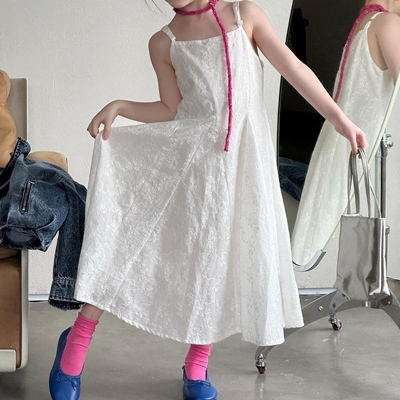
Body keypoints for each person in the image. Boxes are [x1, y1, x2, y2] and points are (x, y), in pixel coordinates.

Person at [48, 1, 367, 399]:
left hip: (239, 171)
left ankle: (197, 366)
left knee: (216, 264)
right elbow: (171, 109)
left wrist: (340, 120)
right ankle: (74, 345)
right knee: (126, 247)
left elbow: (294, 69)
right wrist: (120, 106)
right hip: (187, 162)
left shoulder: (243, 14)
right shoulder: (163, 42)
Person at [291, 0, 400, 266]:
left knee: (321, 225)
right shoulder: (388, 24)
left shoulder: (367, 23)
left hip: (339, 145)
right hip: (359, 148)